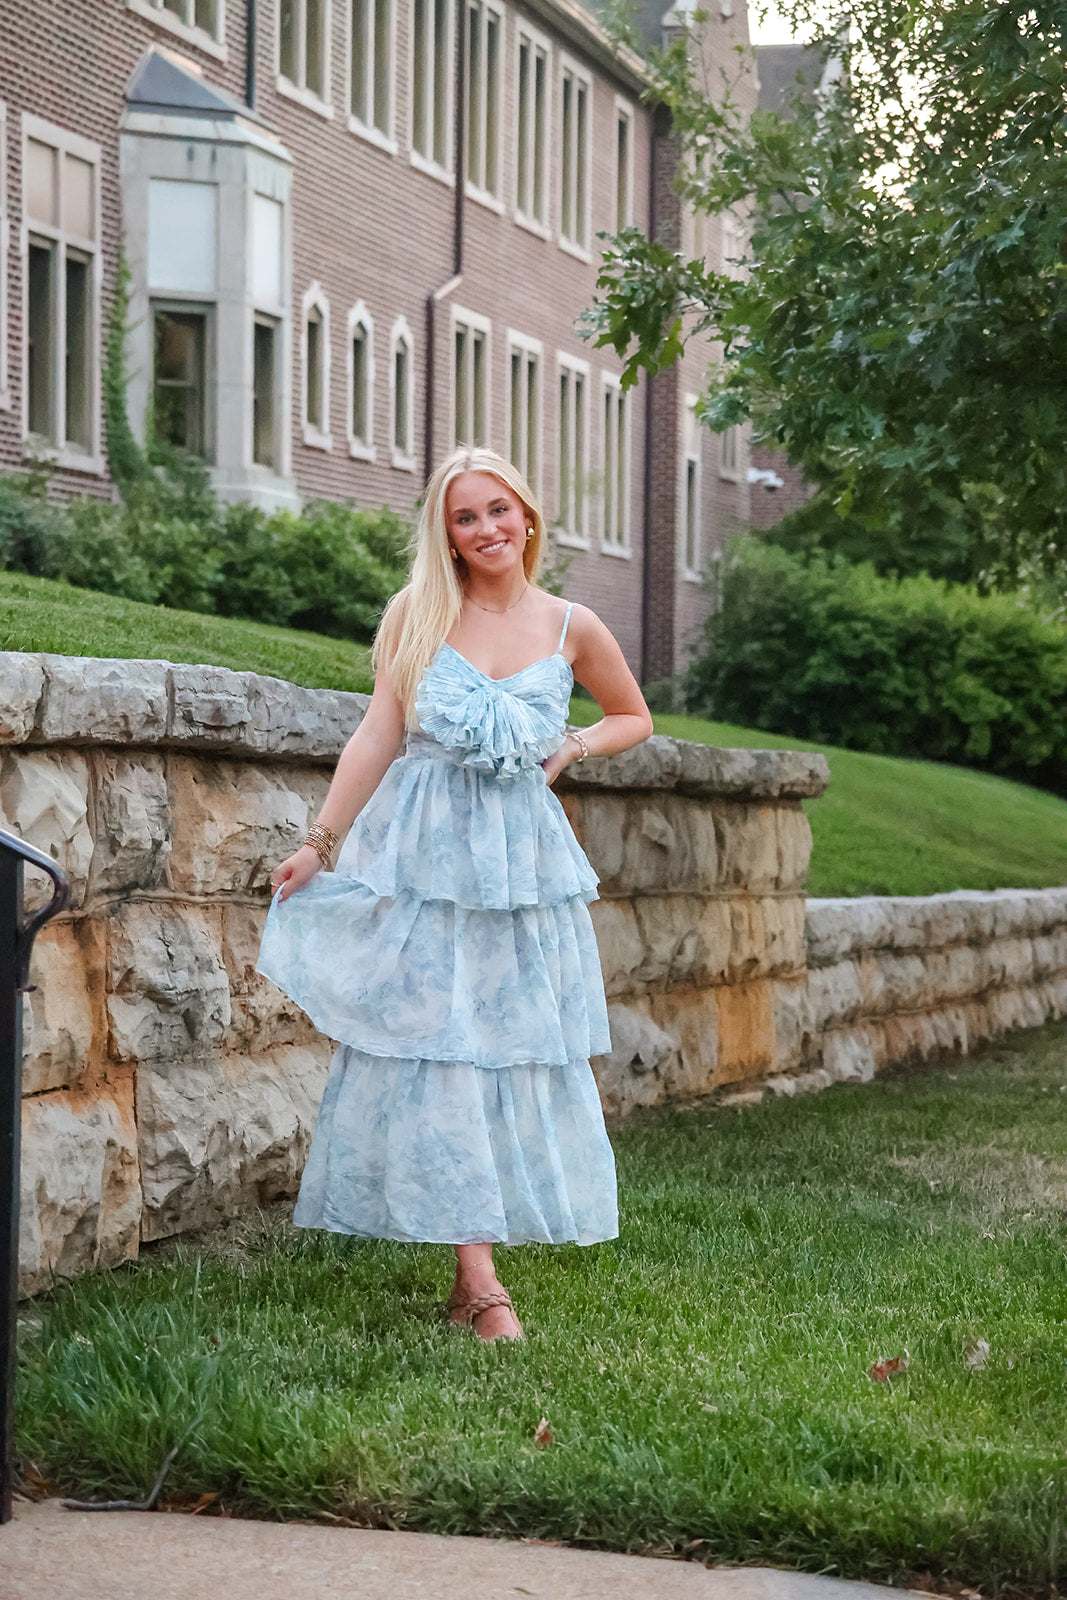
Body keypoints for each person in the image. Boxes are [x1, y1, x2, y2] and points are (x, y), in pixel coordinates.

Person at [258, 446, 653, 1342]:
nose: (485, 531)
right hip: (425, 861)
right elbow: (375, 736)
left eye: (497, 511)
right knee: (438, 1043)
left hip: (522, 872)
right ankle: (479, 1279)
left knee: (505, 1048)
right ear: (446, 533)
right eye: (464, 518)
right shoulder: (418, 613)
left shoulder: (571, 624)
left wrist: (574, 749)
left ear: (526, 515)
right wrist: (319, 843)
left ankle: (475, 1267)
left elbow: (634, 715)